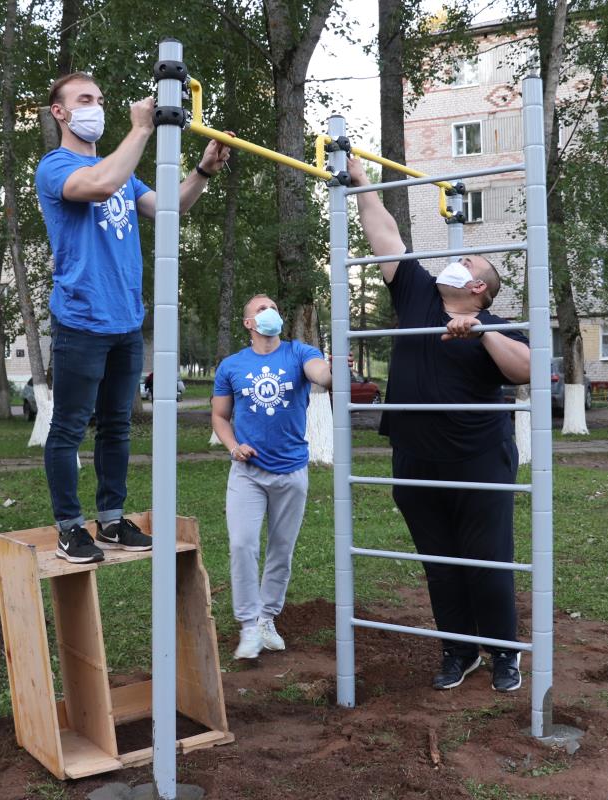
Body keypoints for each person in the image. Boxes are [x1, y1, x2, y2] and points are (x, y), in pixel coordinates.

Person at [347, 157, 531, 692]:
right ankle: (459, 651)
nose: (455, 261)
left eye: (467, 261)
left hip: (478, 462)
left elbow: (525, 371)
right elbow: (385, 234)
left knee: (487, 561)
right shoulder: (419, 294)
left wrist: (480, 334)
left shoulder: (498, 324)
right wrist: (363, 183)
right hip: (415, 457)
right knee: (440, 564)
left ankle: (504, 655)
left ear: (479, 289)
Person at [35, 72, 230, 564]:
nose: (95, 106)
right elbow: (99, 186)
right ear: (60, 112)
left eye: (99, 98)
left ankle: (112, 520)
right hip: (81, 318)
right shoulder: (55, 166)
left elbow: (171, 207)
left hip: (125, 320)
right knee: (69, 427)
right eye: (84, 99)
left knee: (117, 426)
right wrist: (142, 128)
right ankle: (69, 528)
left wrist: (201, 172)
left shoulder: (118, 169)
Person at [211, 295, 337, 659]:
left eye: (274, 308)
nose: (270, 313)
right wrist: (234, 446)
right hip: (247, 473)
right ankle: (249, 625)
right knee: (242, 545)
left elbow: (321, 375)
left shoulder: (298, 352)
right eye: (260, 309)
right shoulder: (232, 365)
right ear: (248, 323)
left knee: (281, 550)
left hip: (292, 471)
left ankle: (267, 619)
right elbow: (220, 417)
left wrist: (333, 370)